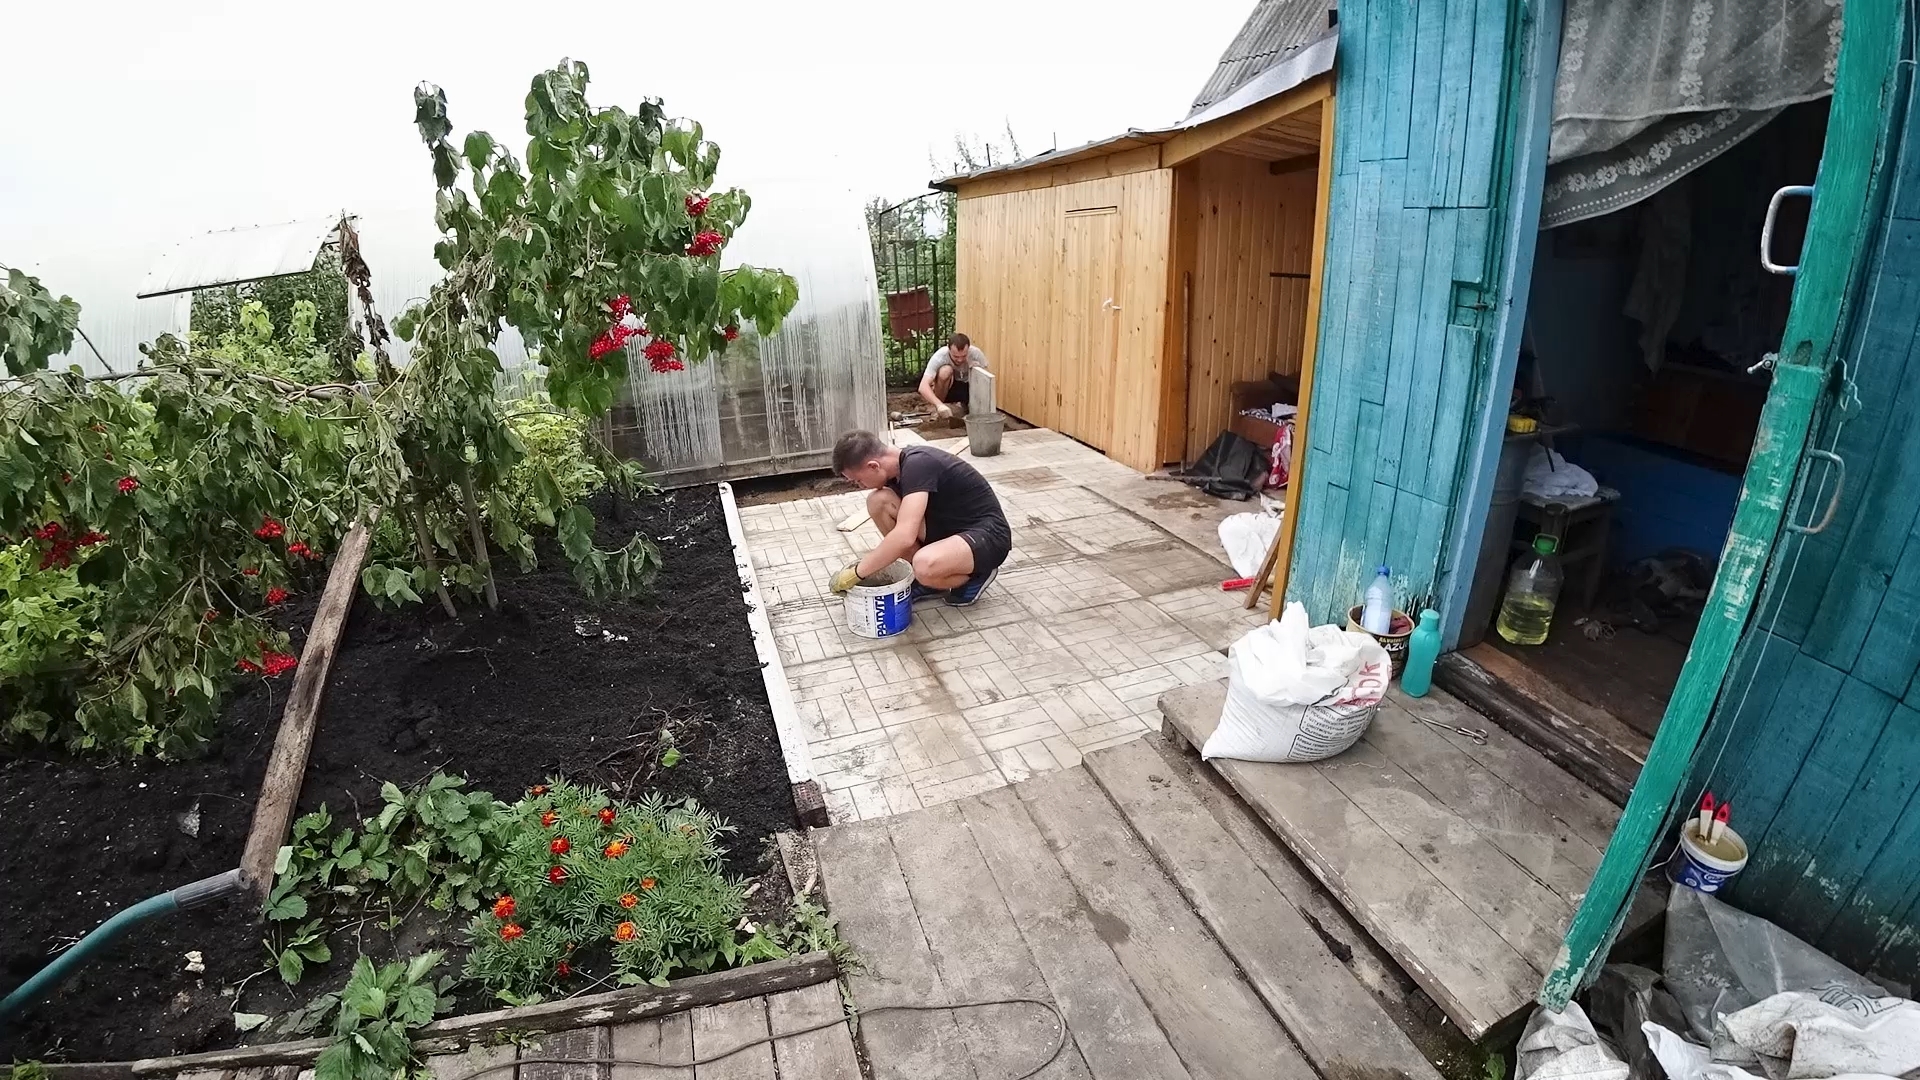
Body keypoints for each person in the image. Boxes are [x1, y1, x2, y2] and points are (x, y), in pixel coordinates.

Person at [826, 429, 1010, 606]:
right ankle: (929, 581)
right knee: (878, 501)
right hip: (951, 529)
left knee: (924, 565)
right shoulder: (897, 470)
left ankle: (976, 575)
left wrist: (857, 573)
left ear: (873, 466)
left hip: (988, 537)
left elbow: (904, 536)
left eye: (858, 480)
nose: (860, 486)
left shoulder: (919, 464)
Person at [918, 333, 989, 419]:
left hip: (968, 388)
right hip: (949, 388)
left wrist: (978, 370)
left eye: (964, 356)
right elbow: (923, 386)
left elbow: (987, 380)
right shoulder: (940, 356)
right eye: (956, 356)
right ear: (949, 349)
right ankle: (939, 409)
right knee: (945, 371)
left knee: (978, 371)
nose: (960, 360)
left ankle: (968, 407)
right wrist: (939, 405)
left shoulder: (976, 354)